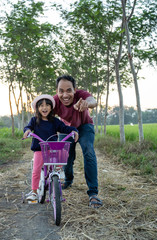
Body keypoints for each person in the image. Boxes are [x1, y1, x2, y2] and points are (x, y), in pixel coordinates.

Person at [53, 75, 103, 208]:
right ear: (57, 91)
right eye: (61, 91)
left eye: (69, 90)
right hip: (66, 129)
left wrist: (87, 103)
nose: (65, 95)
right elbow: (45, 115)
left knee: (88, 150)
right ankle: (68, 180)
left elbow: (93, 100)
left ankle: (93, 193)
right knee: (66, 157)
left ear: (75, 90)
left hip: (85, 126)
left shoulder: (81, 95)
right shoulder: (55, 101)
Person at [23, 94, 79, 202]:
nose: (44, 108)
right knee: (36, 170)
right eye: (41, 106)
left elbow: (64, 128)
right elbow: (28, 127)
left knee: (59, 160)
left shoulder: (54, 121)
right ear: (37, 108)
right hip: (40, 149)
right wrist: (28, 131)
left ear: (51, 108)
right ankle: (34, 192)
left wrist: (73, 130)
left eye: (47, 105)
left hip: (52, 148)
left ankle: (57, 181)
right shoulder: (35, 120)